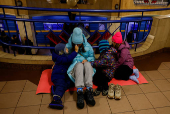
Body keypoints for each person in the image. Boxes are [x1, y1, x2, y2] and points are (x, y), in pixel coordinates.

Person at [66, 27, 96, 109]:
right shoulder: (68, 46)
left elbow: (92, 57)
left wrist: (87, 60)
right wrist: (75, 53)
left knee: (87, 64)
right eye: (76, 44)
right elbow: (65, 57)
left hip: (86, 69)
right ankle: (79, 91)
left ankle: (89, 90)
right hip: (75, 68)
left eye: (79, 43)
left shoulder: (87, 46)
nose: (78, 45)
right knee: (79, 65)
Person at [49, 43, 78, 109]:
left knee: (69, 83)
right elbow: (68, 59)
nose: (67, 49)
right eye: (66, 49)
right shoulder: (61, 58)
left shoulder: (60, 56)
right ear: (62, 52)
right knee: (61, 85)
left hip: (63, 76)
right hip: (58, 76)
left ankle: (55, 90)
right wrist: (75, 51)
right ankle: (56, 100)